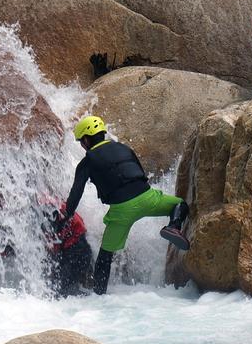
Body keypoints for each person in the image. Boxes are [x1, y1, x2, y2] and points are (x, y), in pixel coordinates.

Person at [57, 116, 189, 295]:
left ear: (86, 140)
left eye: (81, 141)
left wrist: (66, 217)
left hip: (121, 211)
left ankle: (99, 296)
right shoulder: (124, 147)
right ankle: (174, 227)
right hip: (147, 198)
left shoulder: (87, 162)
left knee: (105, 256)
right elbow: (139, 172)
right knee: (180, 204)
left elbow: (75, 194)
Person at [44, 202, 93, 297]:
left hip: (76, 250)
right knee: (64, 290)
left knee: (61, 292)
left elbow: (54, 245)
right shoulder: (53, 202)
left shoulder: (46, 208)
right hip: (80, 247)